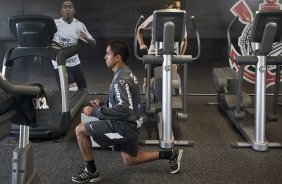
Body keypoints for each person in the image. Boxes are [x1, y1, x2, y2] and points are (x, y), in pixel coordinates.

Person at [72, 40, 183, 183]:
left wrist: (94, 112)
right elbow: (126, 102)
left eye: (108, 54)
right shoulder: (127, 72)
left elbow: (124, 109)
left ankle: (91, 171)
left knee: (80, 130)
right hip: (133, 124)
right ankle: (169, 154)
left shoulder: (120, 80)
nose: (105, 57)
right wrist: (103, 103)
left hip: (123, 127)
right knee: (130, 160)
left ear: (117, 57)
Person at [136, 0, 187, 94]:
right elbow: (139, 29)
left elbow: (184, 40)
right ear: (168, 6)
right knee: (147, 83)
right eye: (175, 7)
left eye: (179, 8)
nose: (178, 10)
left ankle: (174, 101)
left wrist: (180, 57)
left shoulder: (180, 19)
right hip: (153, 53)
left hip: (172, 54)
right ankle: (149, 101)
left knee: (174, 82)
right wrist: (141, 43)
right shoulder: (156, 16)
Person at [52, 0, 96, 91]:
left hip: (75, 62)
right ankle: (66, 103)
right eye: (65, 7)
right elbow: (45, 40)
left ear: (74, 10)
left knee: (83, 90)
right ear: (61, 11)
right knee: (72, 89)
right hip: (60, 63)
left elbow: (93, 43)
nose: (67, 9)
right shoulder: (54, 24)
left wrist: (86, 38)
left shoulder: (79, 25)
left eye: (70, 7)